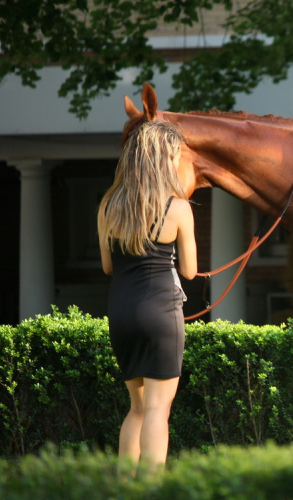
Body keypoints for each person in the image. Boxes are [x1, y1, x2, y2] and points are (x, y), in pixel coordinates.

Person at [97, 120, 197, 473]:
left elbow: (109, 267)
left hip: (121, 312)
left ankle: (125, 493)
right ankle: (150, 498)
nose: (175, 163)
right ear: (160, 160)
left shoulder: (108, 206)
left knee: (136, 409)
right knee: (158, 409)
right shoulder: (178, 208)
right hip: (160, 311)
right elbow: (189, 270)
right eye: (173, 156)